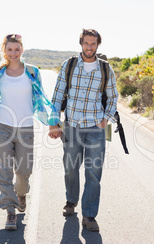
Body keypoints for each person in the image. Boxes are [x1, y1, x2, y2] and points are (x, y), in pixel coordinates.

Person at [0, 34, 59, 231]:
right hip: (2, 128)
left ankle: (21, 194)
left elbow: (41, 98)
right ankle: (10, 211)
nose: (13, 53)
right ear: (4, 51)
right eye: (9, 49)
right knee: (3, 171)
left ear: (22, 50)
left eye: (17, 49)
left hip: (25, 128)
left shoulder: (32, 72)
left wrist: (51, 122)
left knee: (24, 172)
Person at [49, 29, 119, 232]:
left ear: (98, 45)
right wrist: (54, 122)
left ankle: (89, 215)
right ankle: (71, 201)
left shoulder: (105, 69)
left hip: (96, 129)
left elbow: (113, 97)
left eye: (93, 43)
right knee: (71, 168)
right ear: (81, 43)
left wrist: (106, 119)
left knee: (94, 173)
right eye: (86, 43)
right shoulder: (69, 65)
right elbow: (57, 94)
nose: (89, 47)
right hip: (71, 126)